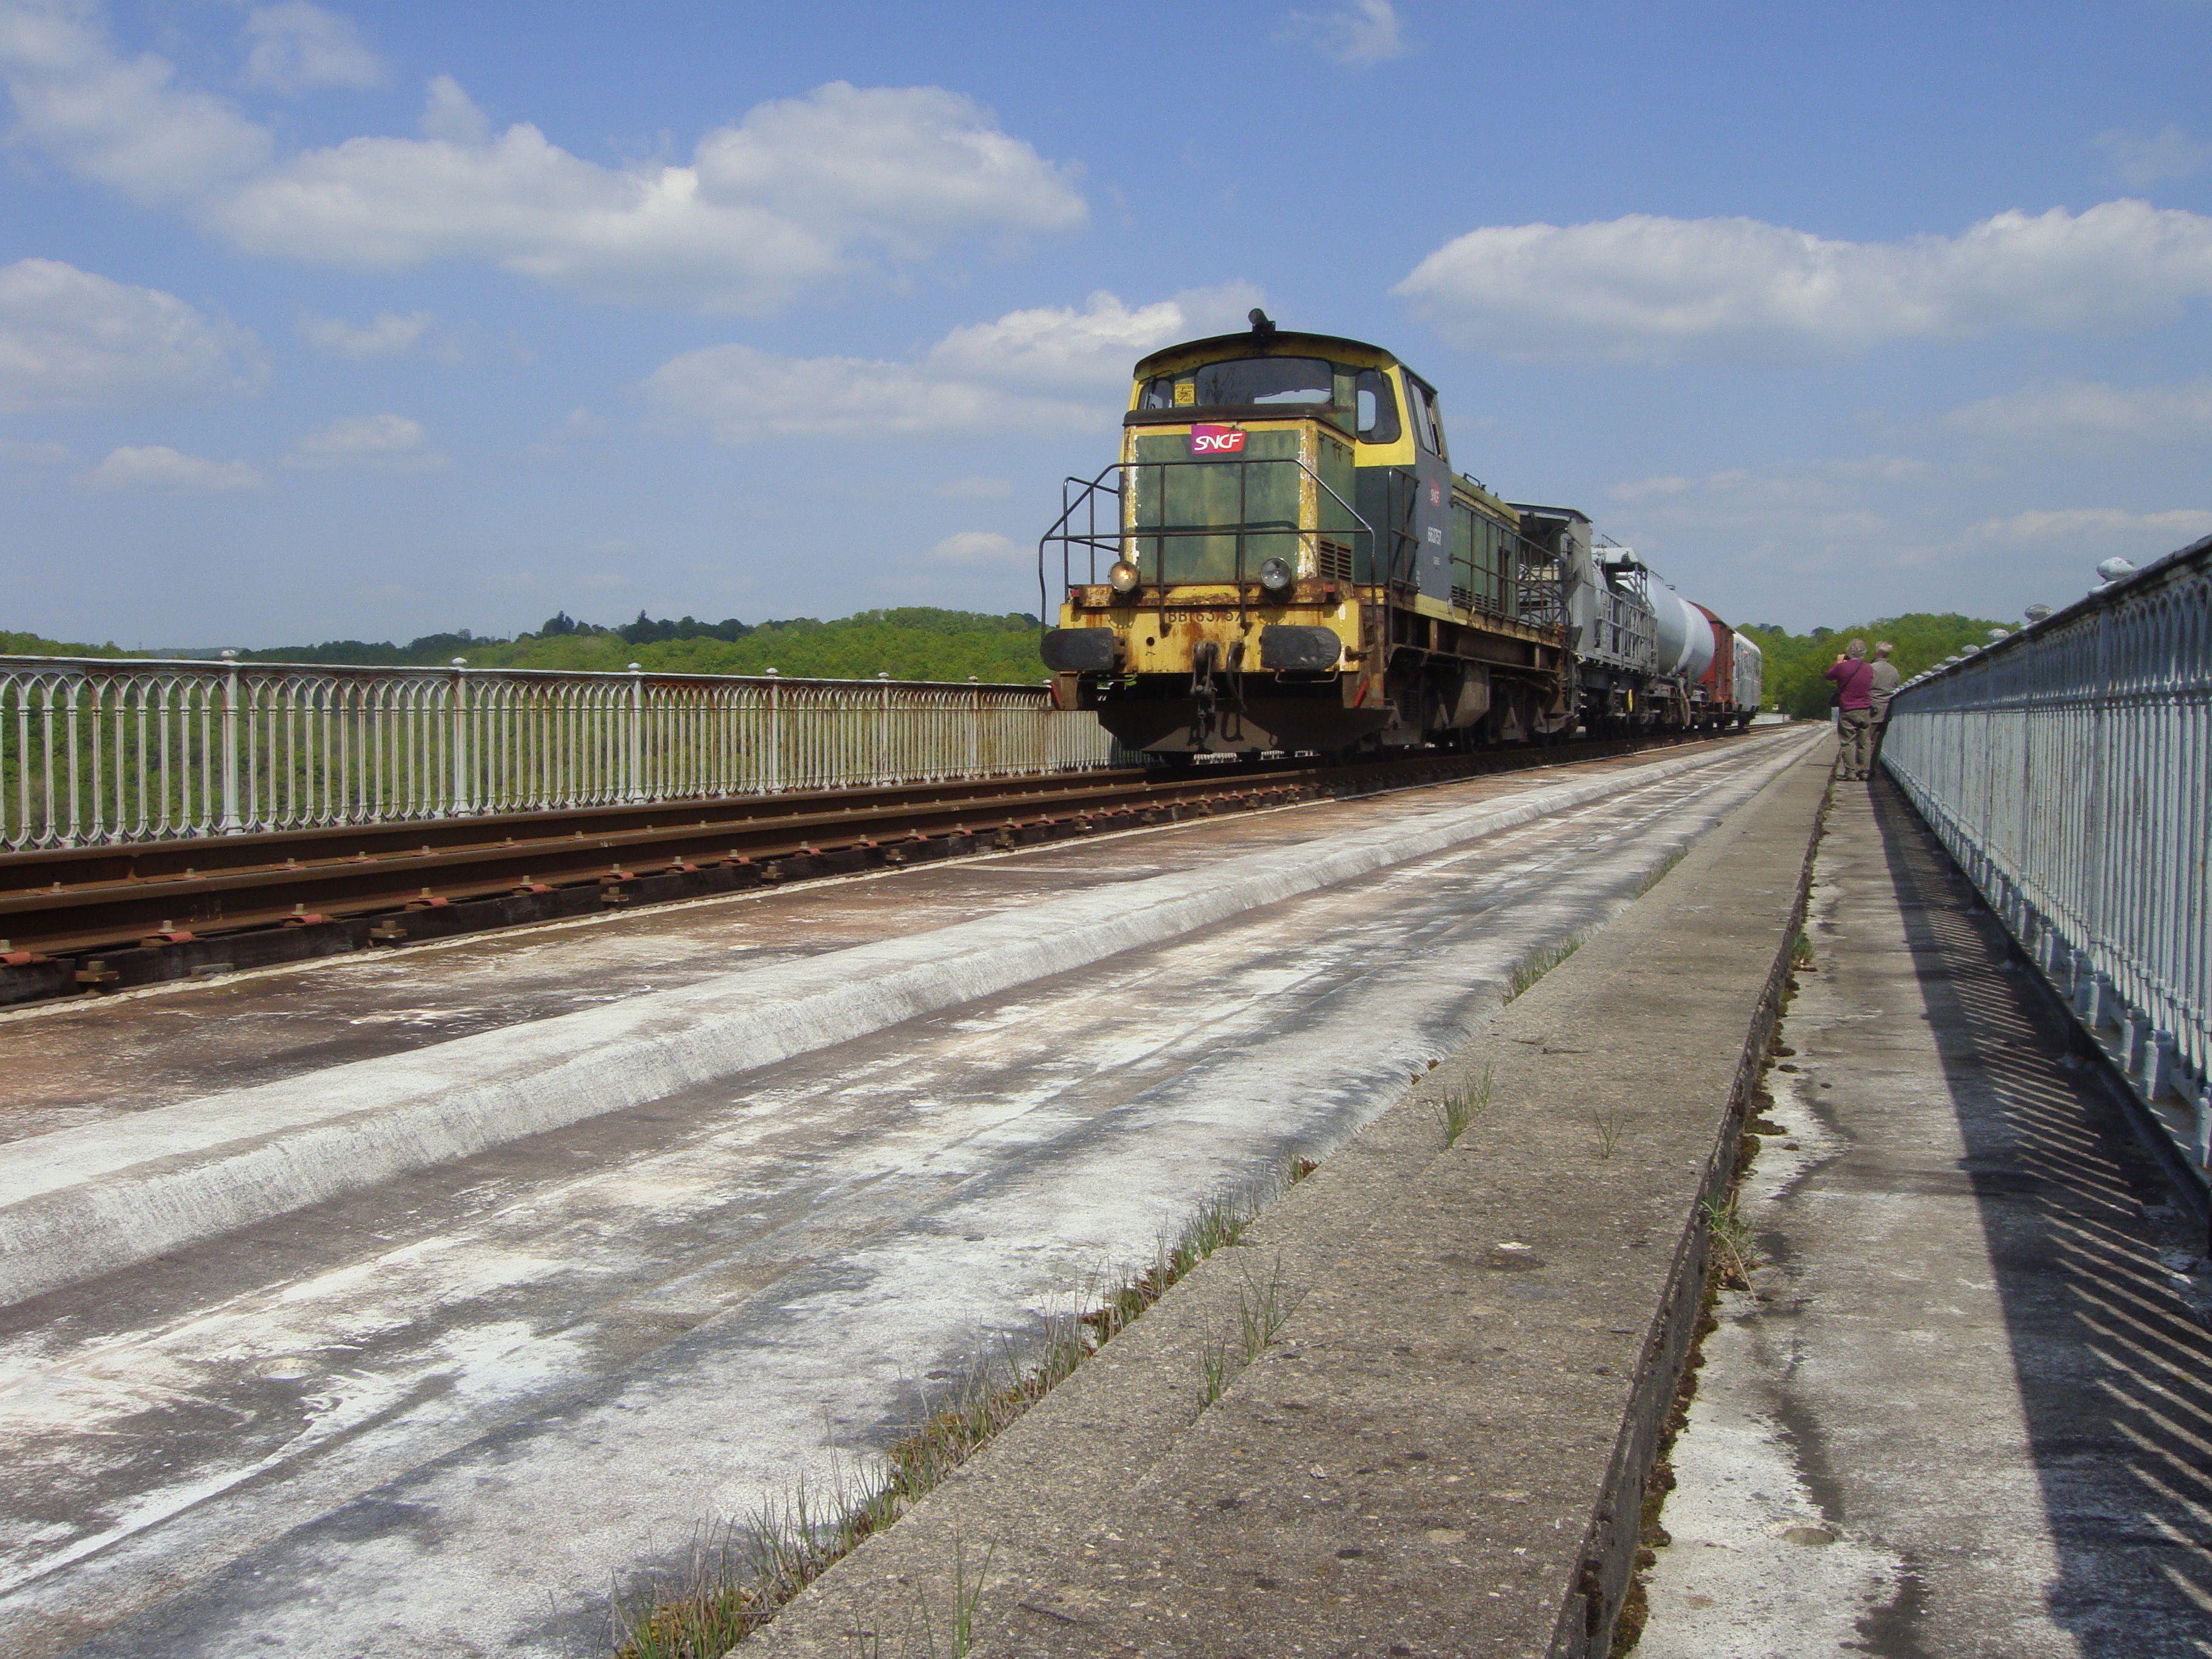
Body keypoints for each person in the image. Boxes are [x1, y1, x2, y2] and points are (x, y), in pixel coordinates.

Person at [1824, 640, 1875, 780]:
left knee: (1848, 741)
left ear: (1849, 652)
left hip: (1848, 709)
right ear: (1864, 652)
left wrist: (1839, 663)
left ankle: (1851, 772)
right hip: (1865, 708)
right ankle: (1864, 772)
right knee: (1865, 742)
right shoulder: (1869, 668)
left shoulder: (1843, 668)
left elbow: (1828, 676)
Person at [1866, 642, 1902, 769]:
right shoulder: (1894, 671)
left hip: (1872, 708)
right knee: (1878, 742)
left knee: (1866, 741)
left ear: (1877, 652)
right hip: (1887, 708)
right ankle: (1873, 769)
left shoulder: (1871, 668)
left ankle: (1864, 769)